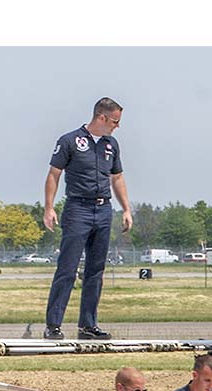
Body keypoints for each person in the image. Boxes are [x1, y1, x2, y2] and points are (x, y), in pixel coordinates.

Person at [42, 97, 133, 340]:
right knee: (68, 269)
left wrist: (126, 209)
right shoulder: (70, 140)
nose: (117, 126)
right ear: (101, 117)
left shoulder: (111, 145)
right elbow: (54, 174)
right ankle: (53, 325)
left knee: (96, 270)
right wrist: (48, 208)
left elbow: (117, 178)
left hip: (103, 210)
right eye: (115, 121)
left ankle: (88, 325)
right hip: (77, 209)